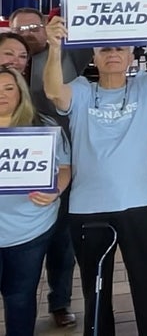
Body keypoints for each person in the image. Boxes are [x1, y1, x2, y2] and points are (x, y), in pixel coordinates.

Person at [43, 12, 147, 336]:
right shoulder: (81, 89)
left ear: (131, 55)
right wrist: (54, 47)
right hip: (87, 207)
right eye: (105, 49)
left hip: (139, 204)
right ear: (94, 56)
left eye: (120, 48)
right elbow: (54, 91)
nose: (113, 54)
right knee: (96, 292)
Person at [7, 9, 85, 330]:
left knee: (60, 243)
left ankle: (60, 301)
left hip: (58, 169)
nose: (28, 32)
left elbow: (98, 26)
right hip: (8, 181)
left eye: (34, 27)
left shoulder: (67, 56)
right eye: (19, 29)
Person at [0, 66, 71, 336]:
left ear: (21, 92)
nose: (2, 95)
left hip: (30, 228)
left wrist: (56, 190)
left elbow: (65, 167)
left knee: (20, 297)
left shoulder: (44, 126)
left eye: (9, 88)